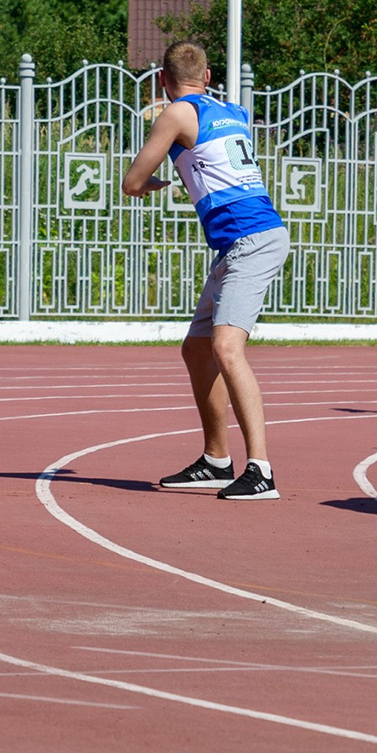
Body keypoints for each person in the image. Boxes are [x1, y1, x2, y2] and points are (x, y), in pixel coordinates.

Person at [128, 40, 291, 501]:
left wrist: (153, 183)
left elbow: (132, 181)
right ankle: (217, 460)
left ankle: (261, 471)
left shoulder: (176, 113)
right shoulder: (234, 111)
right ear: (209, 75)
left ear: (162, 79)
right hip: (237, 242)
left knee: (226, 347)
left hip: (249, 241)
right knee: (197, 350)